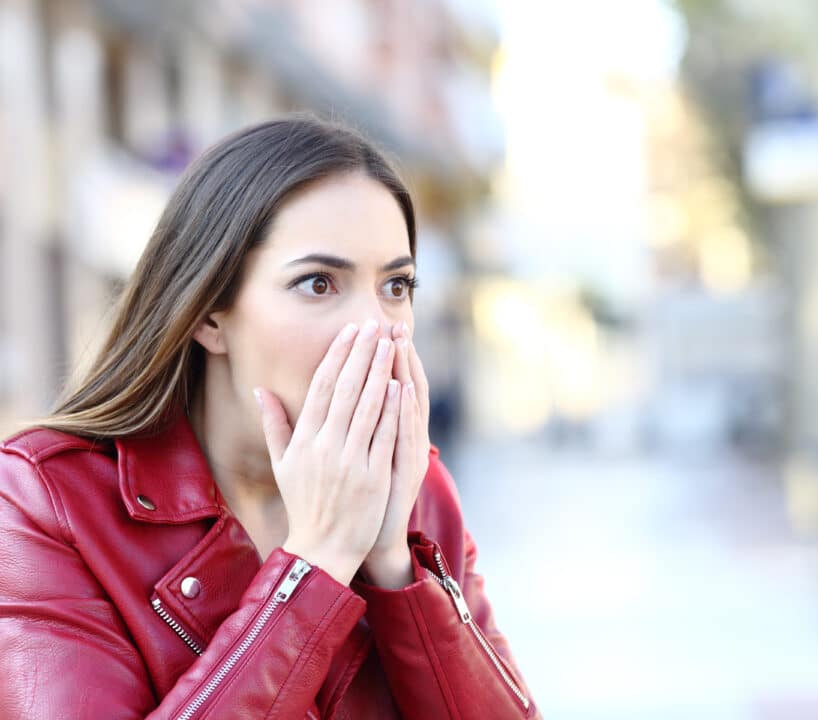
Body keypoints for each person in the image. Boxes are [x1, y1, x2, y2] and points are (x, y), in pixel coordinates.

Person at [0, 115, 539, 719]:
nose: (377, 328)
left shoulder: (419, 494)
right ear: (208, 313)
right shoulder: (45, 501)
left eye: (396, 285)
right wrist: (316, 562)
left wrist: (396, 568)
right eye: (318, 283)